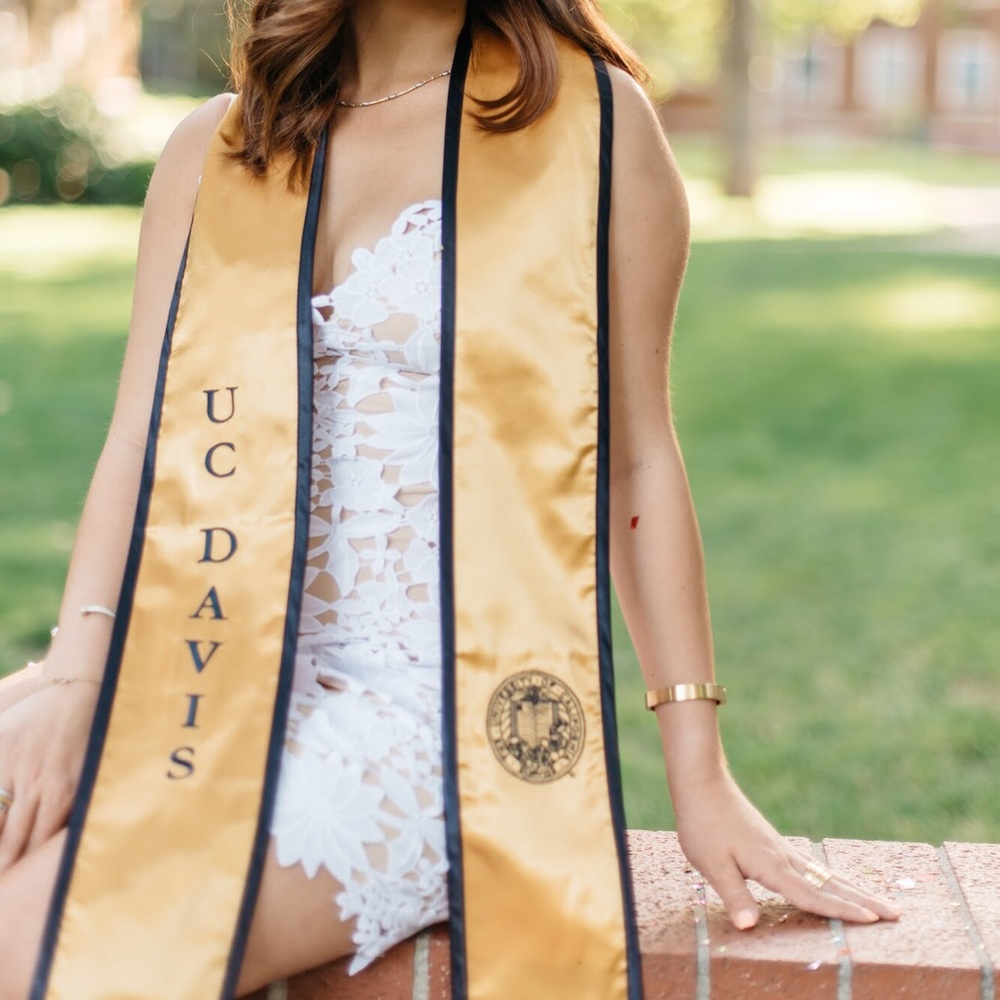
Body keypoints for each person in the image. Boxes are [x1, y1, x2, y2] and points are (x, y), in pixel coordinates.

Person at [0, 0, 900, 996]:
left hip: (437, 705)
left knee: (37, 940)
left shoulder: (591, 130)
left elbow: (637, 457)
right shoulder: (217, 149)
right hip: (208, 655)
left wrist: (699, 772)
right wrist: (77, 679)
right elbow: (142, 439)